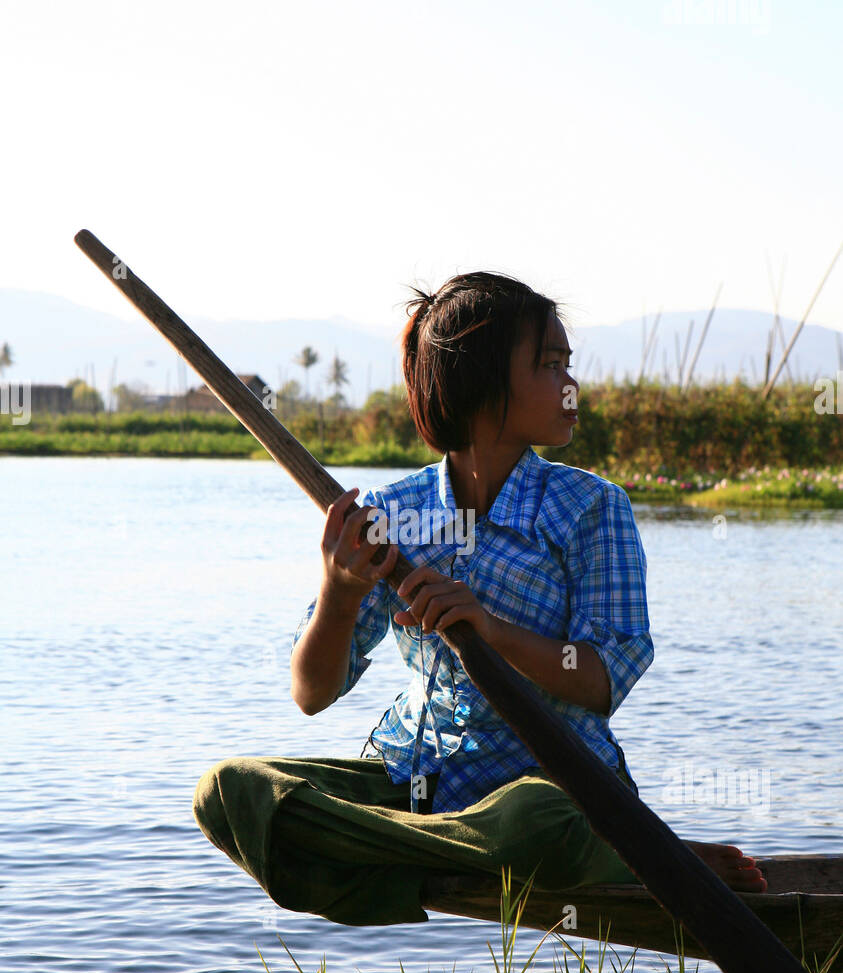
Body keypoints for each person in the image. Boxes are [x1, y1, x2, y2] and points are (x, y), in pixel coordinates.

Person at [193, 271, 766, 924]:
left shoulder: (589, 508)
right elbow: (311, 694)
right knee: (232, 791)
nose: (569, 385)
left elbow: (602, 678)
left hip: (552, 793)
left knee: (530, 820)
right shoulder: (393, 516)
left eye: (565, 365)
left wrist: (492, 632)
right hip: (416, 785)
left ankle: (434, 858)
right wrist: (339, 591)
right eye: (549, 366)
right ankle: (488, 853)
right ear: (485, 382)